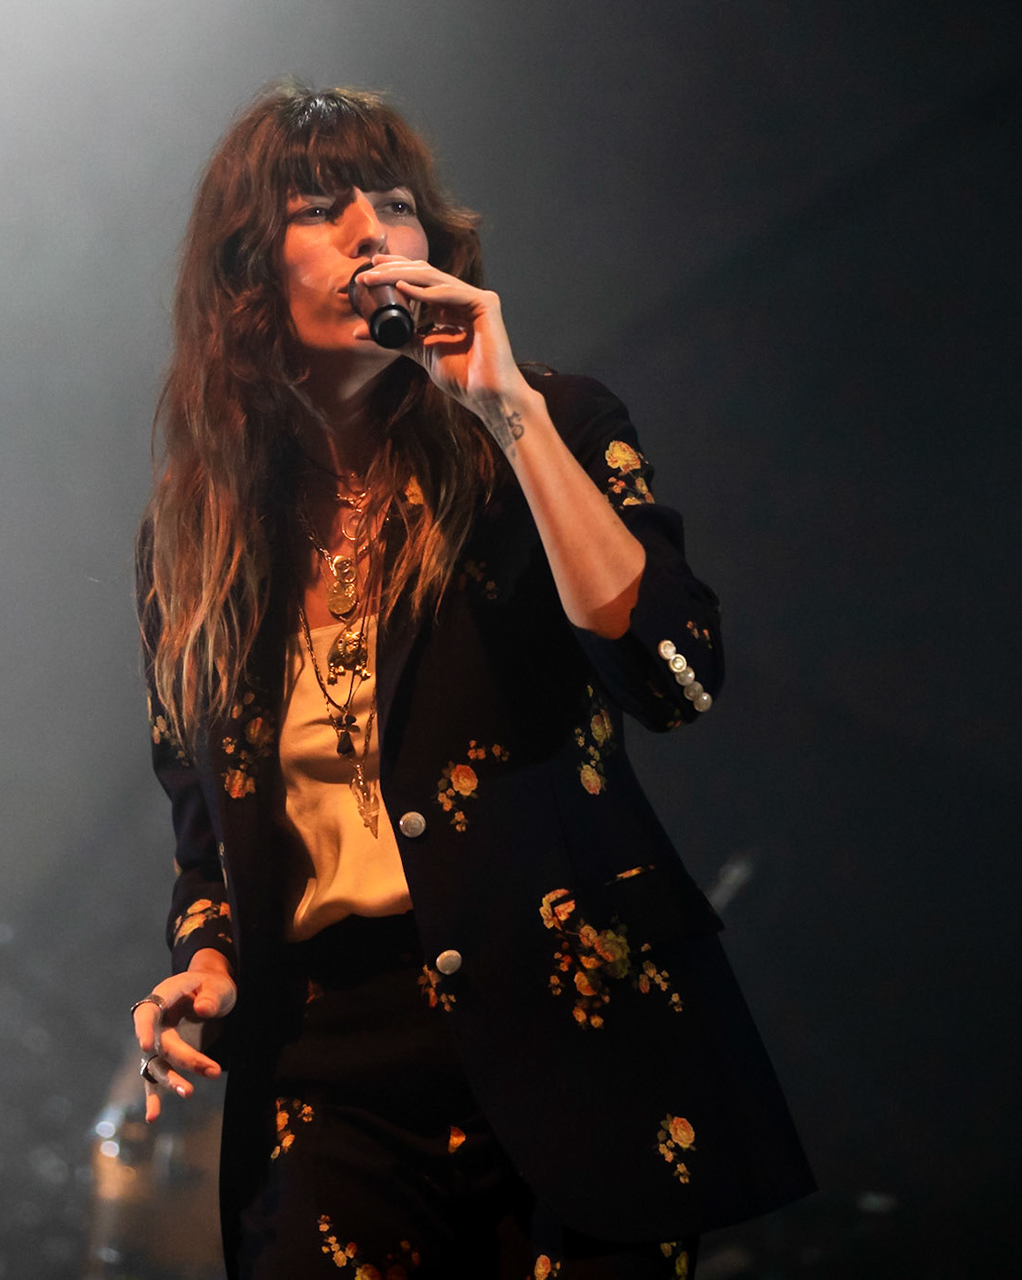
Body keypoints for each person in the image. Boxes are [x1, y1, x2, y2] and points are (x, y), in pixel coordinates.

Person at [128, 82, 813, 1279]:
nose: (373, 233)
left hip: (570, 1039)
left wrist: (510, 415)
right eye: (321, 207)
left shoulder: (553, 425)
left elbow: (676, 675)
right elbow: (205, 819)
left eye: (395, 205)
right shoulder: (198, 536)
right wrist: (208, 955)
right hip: (328, 1072)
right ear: (247, 274)